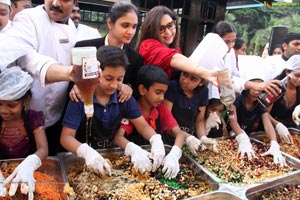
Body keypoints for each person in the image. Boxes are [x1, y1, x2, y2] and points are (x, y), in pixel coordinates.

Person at [60, 46, 165, 176]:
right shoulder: (81, 96)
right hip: (82, 161)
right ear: (97, 73)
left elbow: (142, 126)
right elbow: (66, 137)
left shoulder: (124, 98)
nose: (114, 85)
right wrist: (87, 153)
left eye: (119, 79)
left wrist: (156, 140)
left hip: (112, 157)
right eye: (108, 78)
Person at [0, 0, 78, 156]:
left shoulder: (71, 27)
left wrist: (77, 83)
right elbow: (28, 58)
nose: (55, 3)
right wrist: (69, 73)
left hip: (56, 115)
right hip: (24, 117)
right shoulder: (28, 18)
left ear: (75, 2)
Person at [114, 65, 203, 178]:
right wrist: (134, 150)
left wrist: (174, 154)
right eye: (158, 92)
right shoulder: (133, 110)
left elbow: (179, 133)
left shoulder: (162, 110)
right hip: (137, 166)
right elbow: (118, 137)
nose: (162, 98)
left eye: (164, 93)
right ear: (142, 90)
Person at [71, 1, 143, 101]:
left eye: (134, 27)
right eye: (125, 25)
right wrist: (75, 87)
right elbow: (71, 80)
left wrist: (128, 89)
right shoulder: (84, 48)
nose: (130, 32)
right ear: (110, 23)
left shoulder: (136, 59)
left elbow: (137, 92)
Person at [135, 5, 217, 86]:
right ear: (151, 30)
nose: (168, 32)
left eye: (170, 25)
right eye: (161, 29)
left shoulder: (174, 49)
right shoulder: (147, 46)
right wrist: (204, 72)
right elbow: (171, 57)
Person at [0, 67, 48, 200]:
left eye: (11, 105)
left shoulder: (33, 118)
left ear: (25, 101)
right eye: (0, 104)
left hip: (29, 174)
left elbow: (43, 149)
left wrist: (30, 163)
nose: (4, 110)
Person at [202, 21, 281, 101]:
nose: (230, 45)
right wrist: (253, 85)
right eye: (226, 42)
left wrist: (254, 78)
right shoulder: (208, 52)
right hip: (208, 97)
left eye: (233, 41)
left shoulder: (231, 53)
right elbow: (223, 77)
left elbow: (234, 74)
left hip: (225, 98)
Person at [228, 69, 287, 166]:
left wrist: (274, 143)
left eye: (260, 89)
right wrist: (242, 137)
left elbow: (267, 124)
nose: (256, 92)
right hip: (233, 136)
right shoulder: (235, 99)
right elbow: (232, 120)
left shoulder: (259, 105)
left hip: (247, 140)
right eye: (254, 87)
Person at [163, 70, 218, 152]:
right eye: (184, 74)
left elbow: (199, 121)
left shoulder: (203, 91)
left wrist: (203, 137)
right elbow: (166, 121)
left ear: (201, 82)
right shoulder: (172, 87)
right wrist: (188, 137)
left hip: (189, 140)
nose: (185, 80)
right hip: (169, 139)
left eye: (193, 79)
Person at [268, 55, 300, 130]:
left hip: (293, 130)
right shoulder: (275, 87)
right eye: (297, 75)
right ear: (287, 72)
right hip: (271, 128)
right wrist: (278, 125)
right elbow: (265, 114)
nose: (299, 80)